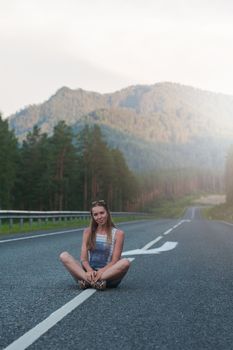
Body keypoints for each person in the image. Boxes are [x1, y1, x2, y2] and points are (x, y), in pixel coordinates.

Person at [59, 200, 130, 290]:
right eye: (95, 214)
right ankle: (94, 281)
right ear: (92, 216)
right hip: (89, 272)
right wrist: (89, 271)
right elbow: (84, 260)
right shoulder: (87, 232)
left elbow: (114, 261)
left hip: (108, 274)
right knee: (64, 256)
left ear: (107, 213)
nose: (99, 217)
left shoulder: (118, 233)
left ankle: (88, 282)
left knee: (125, 262)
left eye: (102, 213)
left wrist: (101, 272)